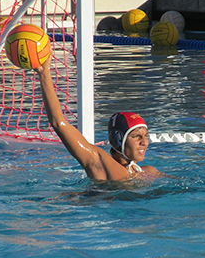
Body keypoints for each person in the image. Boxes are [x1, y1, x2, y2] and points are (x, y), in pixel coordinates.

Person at [35, 53, 160, 181]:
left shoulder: (149, 172)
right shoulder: (100, 164)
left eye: (145, 136)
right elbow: (58, 123)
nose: (144, 142)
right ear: (118, 139)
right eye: (136, 136)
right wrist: (44, 74)